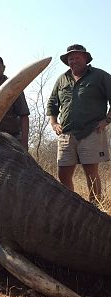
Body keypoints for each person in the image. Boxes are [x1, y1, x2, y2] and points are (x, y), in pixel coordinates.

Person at [47, 44, 111, 204]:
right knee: (63, 173)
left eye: (77, 57)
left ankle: (96, 208)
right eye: (70, 58)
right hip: (66, 134)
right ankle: (71, 207)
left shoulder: (100, 76)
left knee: (90, 172)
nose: (73, 61)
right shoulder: (62, 79)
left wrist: (106, 121)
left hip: (91, 130)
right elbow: (52, 103)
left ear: (85, 58)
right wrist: (54, 123)